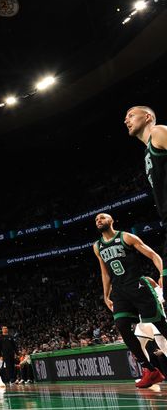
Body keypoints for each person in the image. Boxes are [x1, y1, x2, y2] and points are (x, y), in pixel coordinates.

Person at [93, 212, 167, 388]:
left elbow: (153, 255)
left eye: (102, 217)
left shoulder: (126, 237)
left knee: (162, 326)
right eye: (96, 220)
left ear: (111, 220)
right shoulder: (97, 246)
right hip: (119, 292)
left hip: (138, 287)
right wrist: (106, 294)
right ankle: (150, 370)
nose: (98, 220)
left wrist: (162, 274)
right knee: (122, 326)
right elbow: (105, 272)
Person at [125, 106, 167, 252]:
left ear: (147, 117)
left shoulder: (158, 131)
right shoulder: (147, 150)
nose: (126, 121)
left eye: (131, 115)